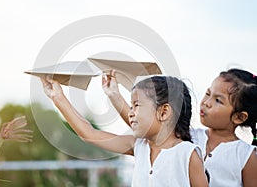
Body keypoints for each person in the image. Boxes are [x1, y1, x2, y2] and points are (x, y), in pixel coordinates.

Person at [41, 74, 208, 187]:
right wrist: (58, 97)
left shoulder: (188, 154)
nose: (130, 112)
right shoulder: (139, 146)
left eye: (137, 105)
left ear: (163, 112)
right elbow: (90, 134)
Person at [103, 69, 257, 187]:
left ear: (239, 117)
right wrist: (114, 96)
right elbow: (145, 122)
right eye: (207, 94)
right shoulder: (188, 138)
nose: (206, 102)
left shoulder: (246, 155)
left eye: (218, 100)